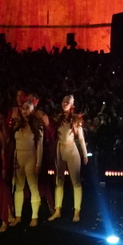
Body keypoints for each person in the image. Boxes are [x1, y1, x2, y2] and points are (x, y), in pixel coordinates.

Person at [48, 94, 88, 223]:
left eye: (68, 101)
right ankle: (57, 210)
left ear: (72, 105)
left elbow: (81, 138)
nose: (65, 103)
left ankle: (77, 211)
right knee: (58, 181)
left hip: (71, 151)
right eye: (64, 101)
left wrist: (85, 154)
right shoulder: (58, 119)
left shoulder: (75, 119)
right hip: (60, 150)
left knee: (75, 182)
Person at [9, 100, 43, 227]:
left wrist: (38, 163)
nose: (24, 110)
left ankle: (34, 216)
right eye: (23, 108)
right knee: (18, 187)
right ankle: (18, 216)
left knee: (33, 186)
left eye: (27, 108)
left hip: (31, 157)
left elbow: (40, 146)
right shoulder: (17, 124)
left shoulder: (37, 125)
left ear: (32, 110)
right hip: (18, 157)